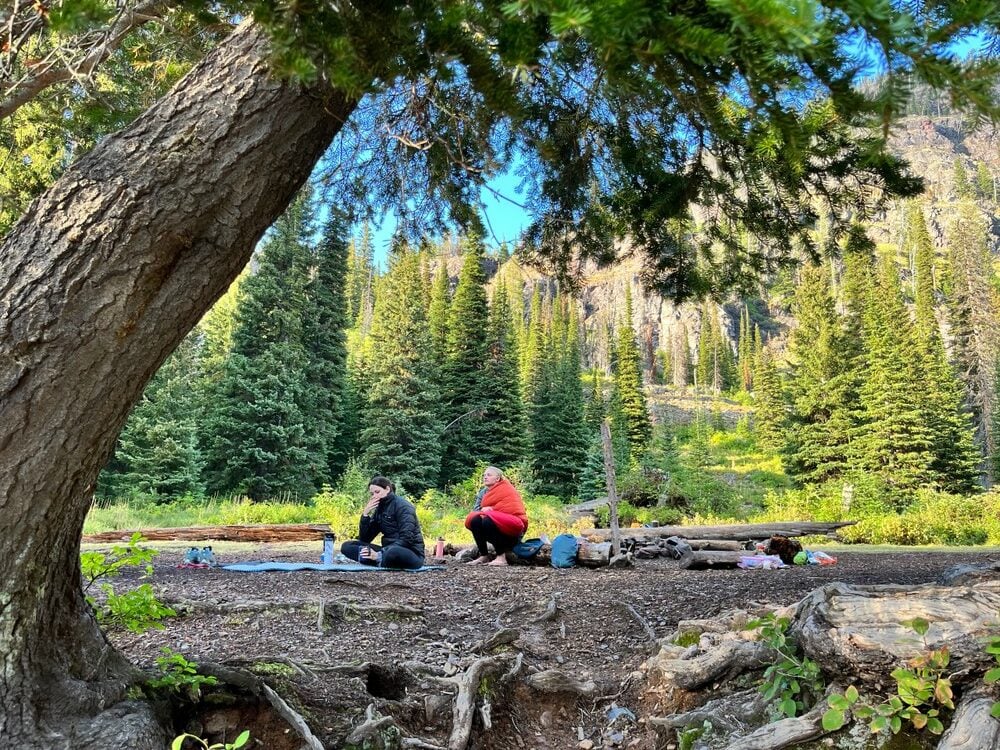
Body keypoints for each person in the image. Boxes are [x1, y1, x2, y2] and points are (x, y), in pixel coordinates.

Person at [341, 476, 426, 570]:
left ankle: (379, 558)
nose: (374, 496)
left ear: (387, 489)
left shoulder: (404, 506)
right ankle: (380, 560)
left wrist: (380, 553)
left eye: (377, 492)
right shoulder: (380, 508)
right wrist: (365, 514)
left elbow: (406, 539)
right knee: (347, 546)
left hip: (410, 552)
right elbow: (365, 539)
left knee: (393, 552)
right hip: (386, 550)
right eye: (372, 493)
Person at [465, 466, 528, 566]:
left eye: (489, 475)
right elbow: (476, 511)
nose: (485, 477)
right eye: (484, 475)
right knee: (475, 520)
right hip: (491, 530)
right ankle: (484, 555)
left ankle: (501, 558)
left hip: (511, 532)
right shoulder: (483, 492)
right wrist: (485, 511)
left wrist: (493, 510)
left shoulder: (508, 490)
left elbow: (513, 510)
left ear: (498, 478)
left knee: (488, 519)